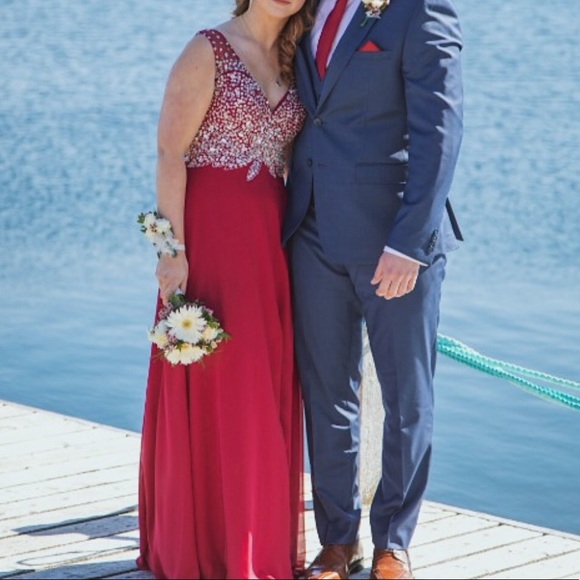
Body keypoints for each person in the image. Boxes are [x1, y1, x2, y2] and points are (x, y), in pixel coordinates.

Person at [284, 0, 464, 578]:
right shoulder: (307, 6)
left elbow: (440, 129)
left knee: (406, 396)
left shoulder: (420, 9)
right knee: (325, 392)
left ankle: (393, 541)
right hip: (310, 231)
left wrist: (410, 243)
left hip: (393, 240)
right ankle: (338, 540)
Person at [137, 1, 315, 578]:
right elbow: (169, 153)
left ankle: (254, 545)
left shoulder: (296, 58)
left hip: (270, 249)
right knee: (217, 385)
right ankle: (204, 545)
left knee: (258, 389)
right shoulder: (207, 50)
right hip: (209, 244)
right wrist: (172, 252)